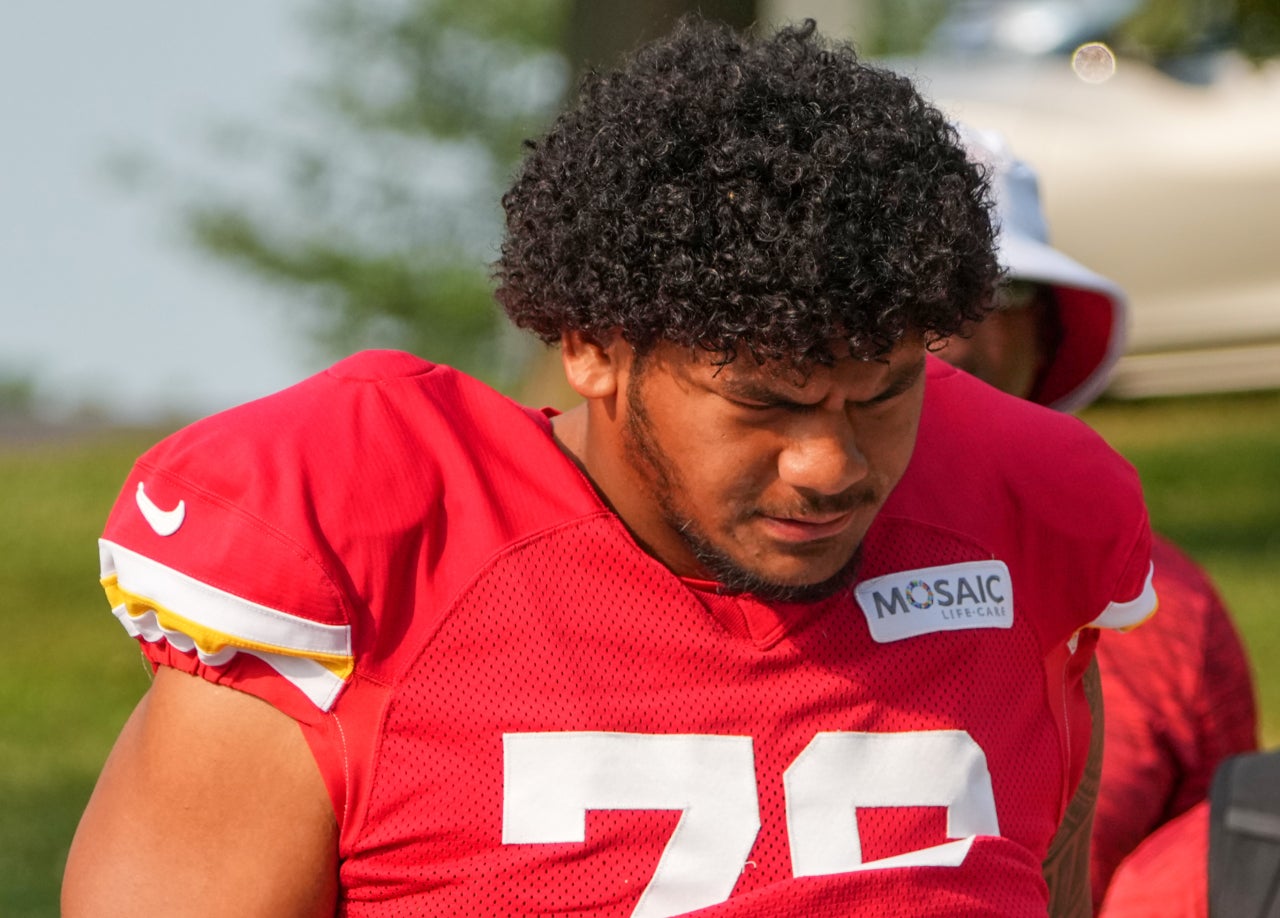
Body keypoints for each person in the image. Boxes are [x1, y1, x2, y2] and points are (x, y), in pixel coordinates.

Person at [62, 20, 1157, 917]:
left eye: (881, 395)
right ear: (591, 343)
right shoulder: (365, 532)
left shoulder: (1024, 507)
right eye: (763, 401)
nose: (829, 464)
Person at [936, 127, 1259, 912]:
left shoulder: (1164, 605)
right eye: (924, 288)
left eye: (1002, 290)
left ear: (1048, 332)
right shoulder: (747, 575)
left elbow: (1233, 867)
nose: (955, 326)